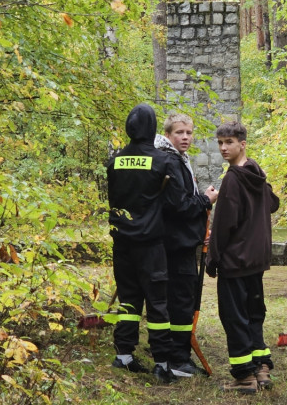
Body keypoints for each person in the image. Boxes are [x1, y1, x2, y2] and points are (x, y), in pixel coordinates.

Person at [106, 103, 184, 383]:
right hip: (150, 244)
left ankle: (124, 354)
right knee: (157, 303)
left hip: (122, 242)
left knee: (128, 300)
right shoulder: (163, 161)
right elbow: (176, 203)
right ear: (153, 129)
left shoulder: (114, 161)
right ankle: (162, 362)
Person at [204, 121, 280, 394]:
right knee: (253, 314)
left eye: (229, 143)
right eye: (220, 143)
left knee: (235, 316)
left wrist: (213, 259)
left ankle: (244, 376)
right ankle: (261, 367)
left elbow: (224, 225)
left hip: (235, 260)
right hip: (256, 260)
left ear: (242, 144)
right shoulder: (256, 173)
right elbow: (273, 203)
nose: (224, 148)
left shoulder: (234, 178)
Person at [154, 114, 218, 379]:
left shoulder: (179, 161)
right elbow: (178, 207)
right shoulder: (169, 161)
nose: (186, 137)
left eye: (189, 133)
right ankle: (177, 358)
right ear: (168, 135)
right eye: (180, 132)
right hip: (174, 246)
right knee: (180, 301)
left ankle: (178, 355)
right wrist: (206, 200)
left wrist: (199, 229)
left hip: (182, 242)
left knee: (182, 299)